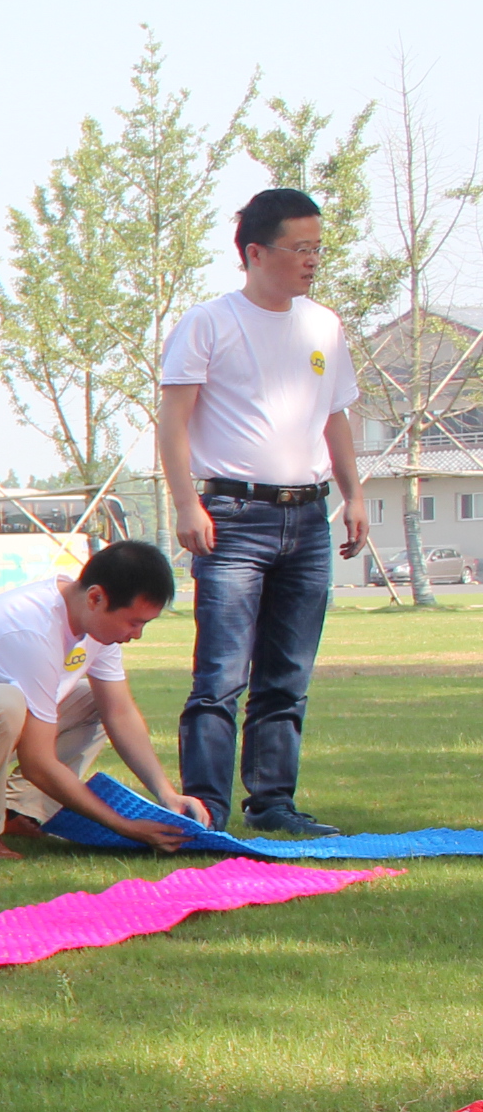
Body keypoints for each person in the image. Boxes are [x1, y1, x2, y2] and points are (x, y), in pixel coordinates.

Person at [155, 186, 371, 837]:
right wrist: (186, 503)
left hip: (307, 517)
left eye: (317, 248)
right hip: (232, 515)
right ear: (254, 252)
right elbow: (173, 420)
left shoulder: (323, 326)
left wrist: (355, 494)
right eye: (299, 248)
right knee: (221, 672)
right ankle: (206, 810)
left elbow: (335, 419)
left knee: (287, 673)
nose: (312, 261)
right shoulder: (209, 323)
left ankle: (274, 803)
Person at [0, 540, 210, 860]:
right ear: (96, 598)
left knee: (90, 701)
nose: (136, 635)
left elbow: (118, 713)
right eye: (134, 622)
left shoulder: (95, 629)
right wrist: (124, 826)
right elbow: (38, 762)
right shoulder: (32, 628)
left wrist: (166, 794)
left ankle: (16, 812)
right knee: (4, 702)